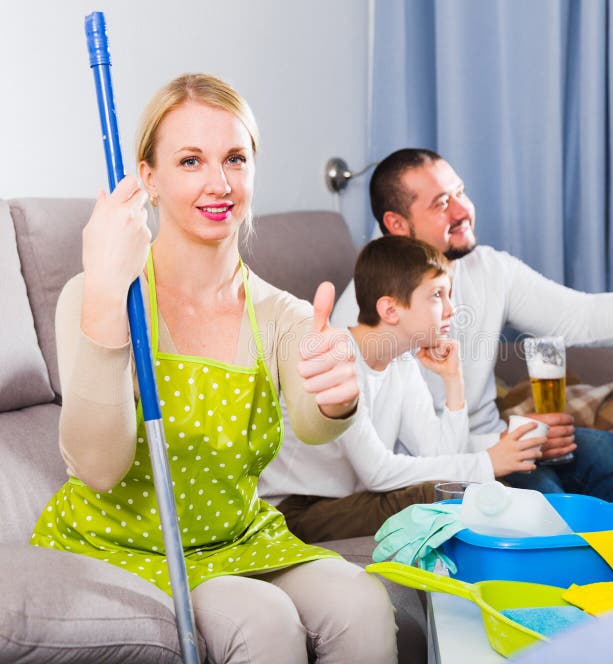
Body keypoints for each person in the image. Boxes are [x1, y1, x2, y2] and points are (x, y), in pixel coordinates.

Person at [29, 74, 396, 664]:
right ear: (149, 178)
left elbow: (312, 421)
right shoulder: (94, 296)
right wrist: (105, 299)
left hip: (237, 538)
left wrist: (336, 398)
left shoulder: (282, 313)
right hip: (126, 545)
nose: (219, 182)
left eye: (235, 158)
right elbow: (96, 467)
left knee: (364, 602)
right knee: (264, 619)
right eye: (191, 160)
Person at [329, 148, 613, 510]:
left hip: (492, 442)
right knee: (542, 490)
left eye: (461, 193)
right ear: (397, 223)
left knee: (608, 452)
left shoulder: (487, 268)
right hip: (438, 465)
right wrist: (509, 446)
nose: (462, 211)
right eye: (441, 204)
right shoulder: (366, 315)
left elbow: (579, 317)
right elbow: (386, 455)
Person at [260, 236, 545, 541]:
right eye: (437, 295)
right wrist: (486, 462)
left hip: (346, 500)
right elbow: (378, 472)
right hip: (295, 510)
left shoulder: (402, 363)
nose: (451, 309)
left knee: (463, 490)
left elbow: (441, 454)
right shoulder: (339, 360)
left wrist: (454, 381)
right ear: (390, 310)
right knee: (444, 497)